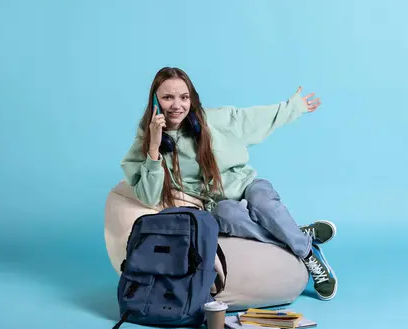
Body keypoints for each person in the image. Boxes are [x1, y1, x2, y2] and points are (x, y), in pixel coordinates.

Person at [120, 67, 337, 300]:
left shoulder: (214, 120)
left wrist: (293, 107)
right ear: (154, 100)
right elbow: (149, 196)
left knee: (264, 203)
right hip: (218, 202)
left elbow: (252, 118)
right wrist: (154, 147)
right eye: (167, 97)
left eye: (184, 97)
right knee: (228, 215)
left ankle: (307, 254)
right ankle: (298, 237)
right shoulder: (146, 138)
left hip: (246, 183)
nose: (177, 105)